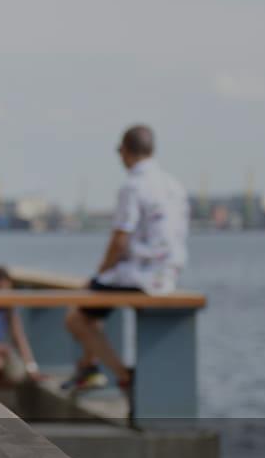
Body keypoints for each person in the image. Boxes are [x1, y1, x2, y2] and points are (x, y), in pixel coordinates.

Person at [62, 125, 189, 399]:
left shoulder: (133, 186)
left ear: (126, 150)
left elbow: (120, 239)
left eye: (119, 150)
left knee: (76, 318)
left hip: (139, 274)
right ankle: (88, 366)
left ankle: (123, 376)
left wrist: (100, 272)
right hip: (168, 273)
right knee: (92, 309)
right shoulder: (174, 185)